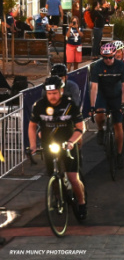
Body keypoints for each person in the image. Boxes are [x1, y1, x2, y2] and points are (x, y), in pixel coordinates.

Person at [28, 77, 87, 219]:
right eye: (49, 94)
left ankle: (82, 203)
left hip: (67, 143)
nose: (52, 97)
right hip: (49, 143)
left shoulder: (70, 105)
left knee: (73, 178)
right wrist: (33, 146)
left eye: (55, 93)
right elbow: (32, 126)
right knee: (53, 177)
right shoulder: (39, 105)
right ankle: (57, 196)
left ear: (61, 91)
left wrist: (72, 142)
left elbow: (80, 127)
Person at [90, 43, 124, 169]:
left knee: (118, 125)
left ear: (114, 55)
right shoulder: (97, 66)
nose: (108, 60)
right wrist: (92, 106)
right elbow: (94, 88)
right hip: (102, 93)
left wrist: (123, 103)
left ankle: (119, 153)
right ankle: (100, 130)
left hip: (117, 94)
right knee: (100, 113)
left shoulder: (121, 66)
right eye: (105, 58)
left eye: (110, 57)